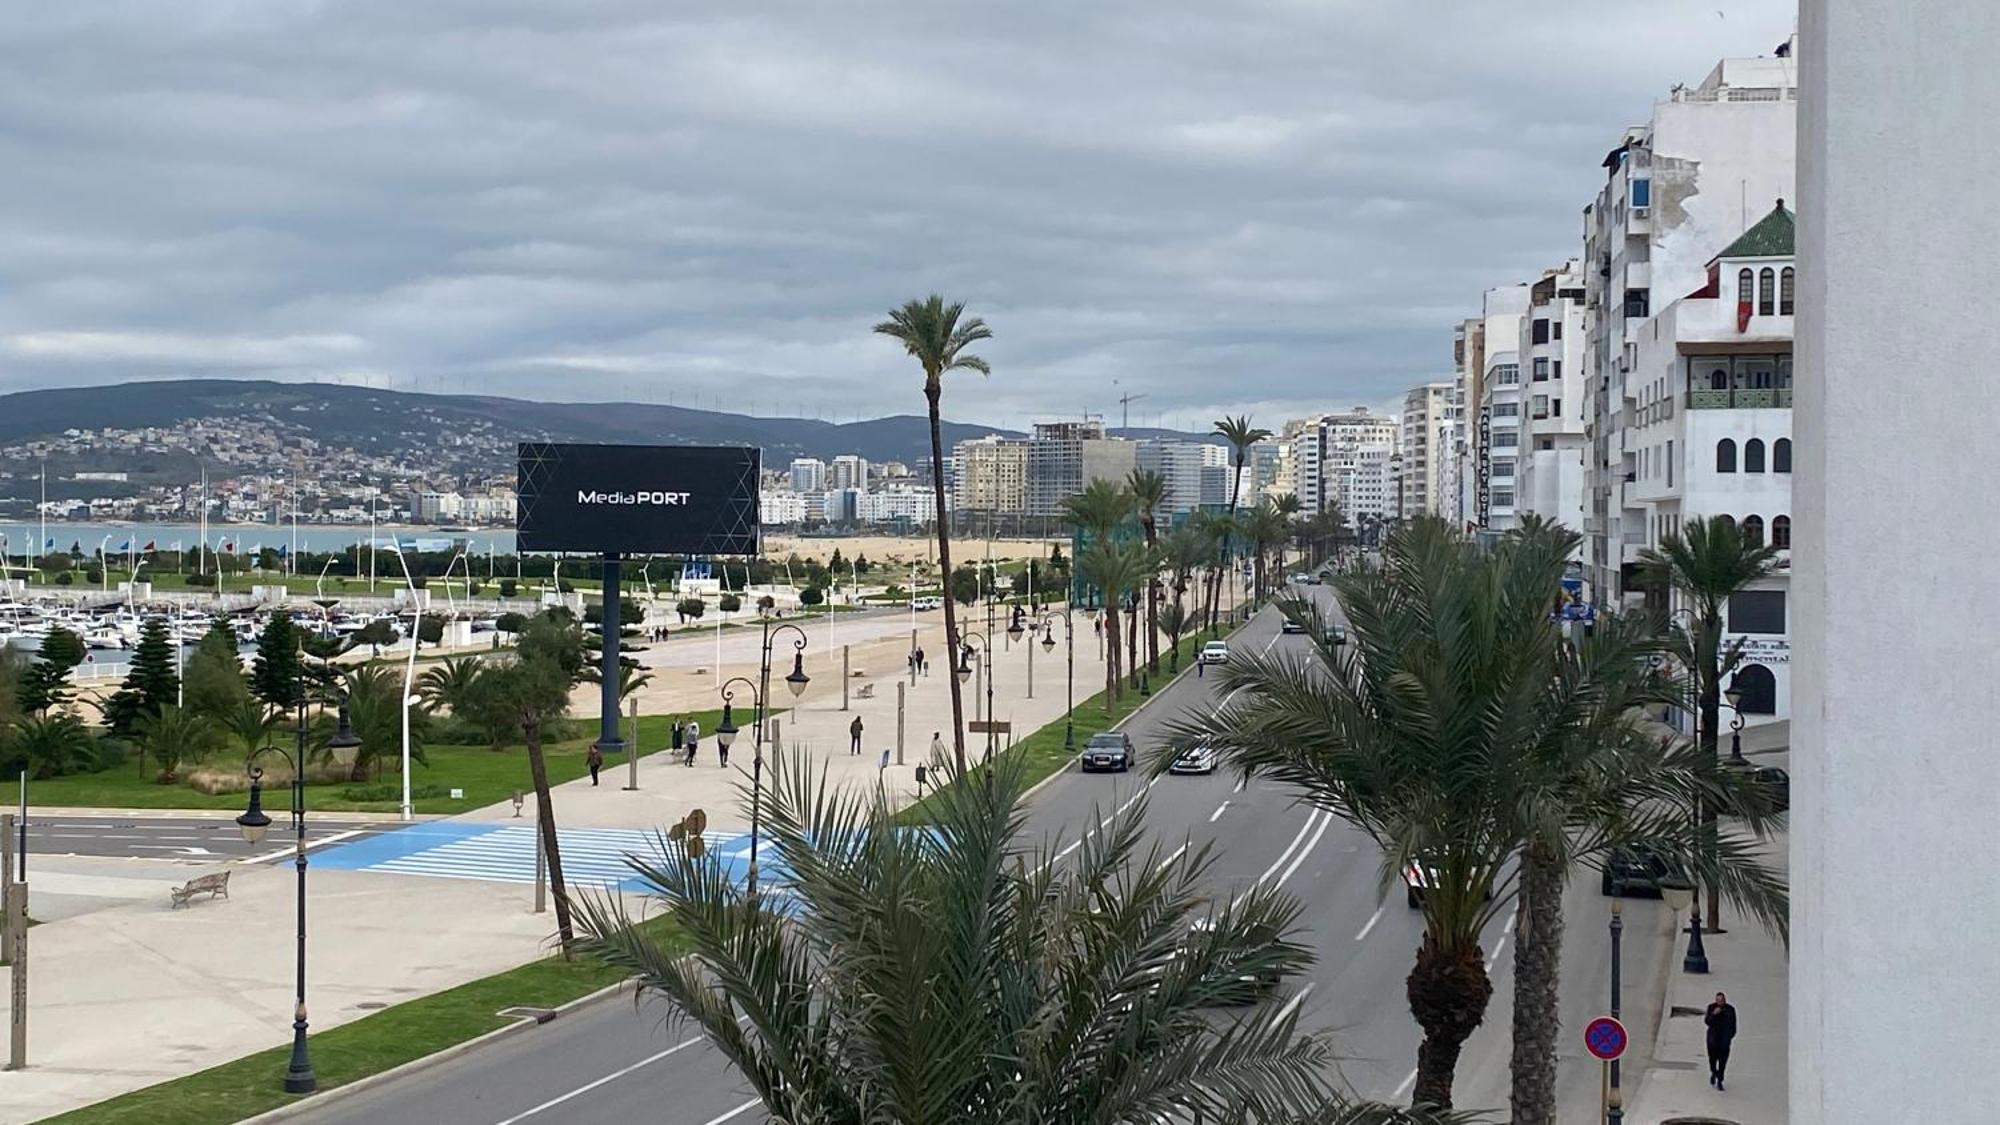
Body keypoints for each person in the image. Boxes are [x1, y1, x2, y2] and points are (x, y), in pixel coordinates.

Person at [1705, 991, 1738, 1091]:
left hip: (1724, 1040)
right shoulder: (1711, 1007)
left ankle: (1720, 1080)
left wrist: (1729, 1037)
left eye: (1722, 1000)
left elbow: (1733, 1025)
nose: (1720, 1002)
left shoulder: (1730, 1010)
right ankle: (1714, 1072)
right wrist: (1714, 1014)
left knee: (1723, 1061)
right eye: (1718, 1000)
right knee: (1712, 1059)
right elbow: (1707, 1021)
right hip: (1713, 1040)